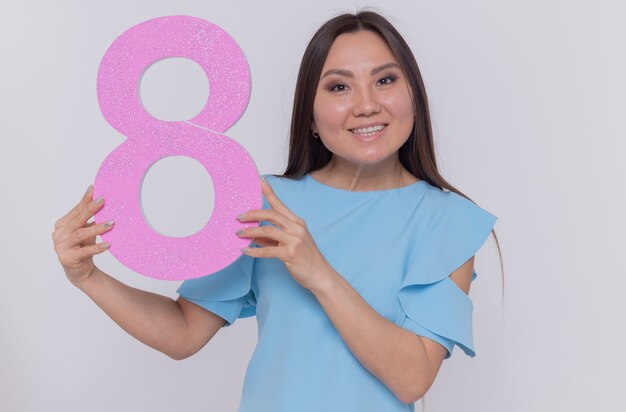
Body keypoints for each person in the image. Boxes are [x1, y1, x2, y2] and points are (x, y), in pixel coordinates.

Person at [52, 10, 501, 412]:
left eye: (385, 80)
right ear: (309, 115)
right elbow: (184, 332)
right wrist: (88, 278)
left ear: (413, 97)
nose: (367, 104)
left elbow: (412, 379)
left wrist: (317, 271)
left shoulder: (449, 223)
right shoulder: (265, 203)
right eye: (339, 86)